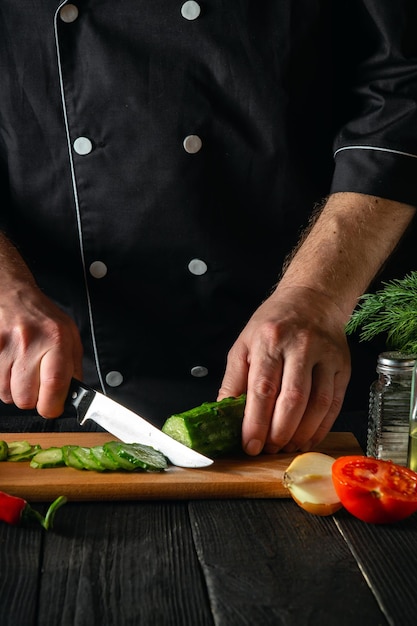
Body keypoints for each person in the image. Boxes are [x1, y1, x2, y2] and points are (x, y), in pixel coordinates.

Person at [0, 1, 416, 455]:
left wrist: (317, 297)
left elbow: (403, 86)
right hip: (43, 376)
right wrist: (5, 289)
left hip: (307, 371)